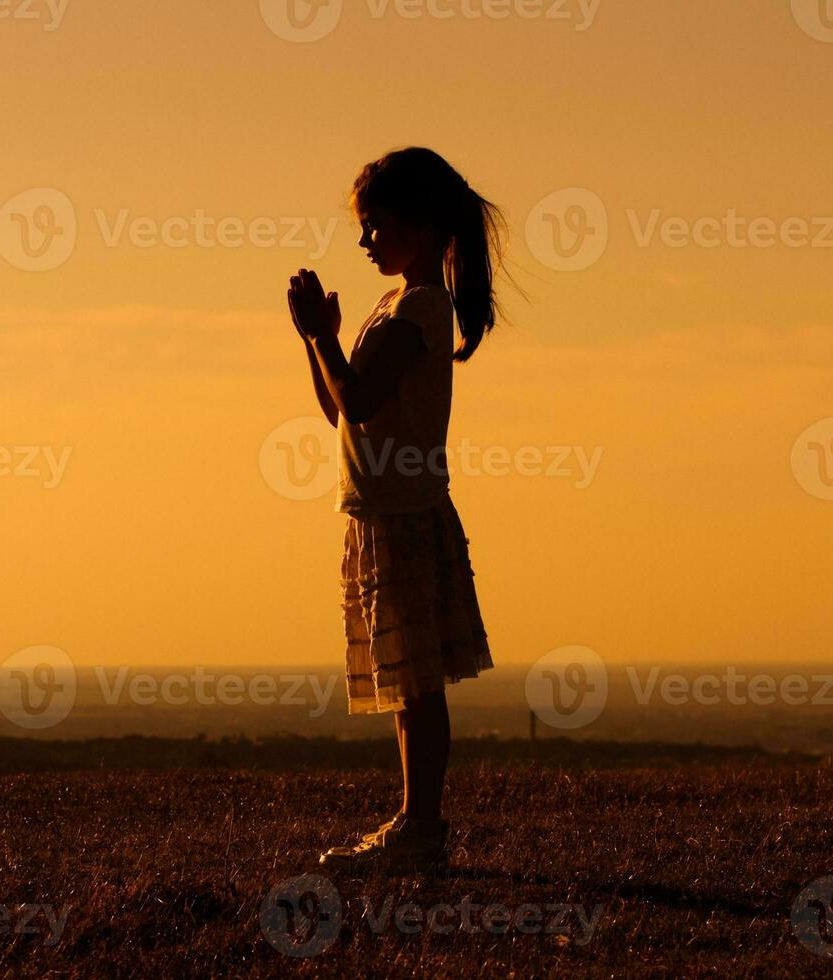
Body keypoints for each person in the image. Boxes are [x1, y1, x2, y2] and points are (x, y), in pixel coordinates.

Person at [287, 147, 504, 872]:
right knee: (406, 680)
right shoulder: (392, 305)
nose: (364, 241)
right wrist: (313, 341)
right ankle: (416, 822)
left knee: (417, 681)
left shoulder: (420, 305)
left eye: (375, 226)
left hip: (405, 512)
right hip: (380, 510)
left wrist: (321, 334)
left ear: (417, 224)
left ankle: (421, 824)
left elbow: (362, 400)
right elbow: (340, 412)